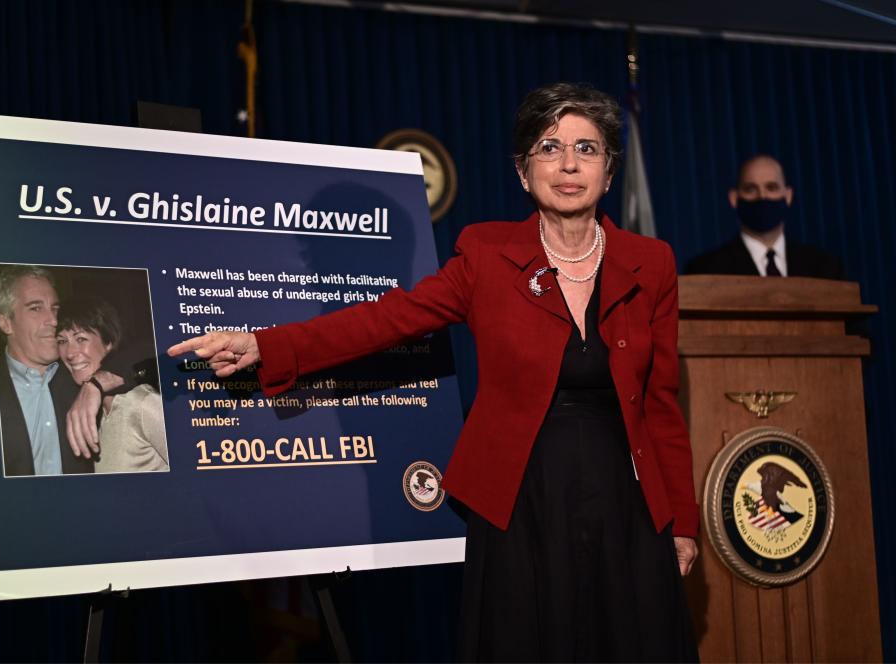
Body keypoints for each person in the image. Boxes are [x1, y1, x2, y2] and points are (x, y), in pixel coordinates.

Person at [169, 82, 699, 661]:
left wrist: (683, 522)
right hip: (521, 501)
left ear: (609, 170)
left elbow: (661, 404)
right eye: (550, 148)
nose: (569, 164)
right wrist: (264, 344)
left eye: (587, 148)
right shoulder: (485, 254)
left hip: (626, 502)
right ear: (524, 172)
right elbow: (387, 319)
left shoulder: (653, 263)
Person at [56, 297, 169, 473]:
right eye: (62, 341)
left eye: (81, 339)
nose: (70, 353)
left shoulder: (142, 404)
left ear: (108, 342)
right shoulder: (96, 411)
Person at [685, 154, 844, 279]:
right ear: (734, 198)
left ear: (788, 196)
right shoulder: (704, 270)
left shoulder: (825, 268)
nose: (762, 196)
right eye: (751, 189)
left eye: (771, 187)